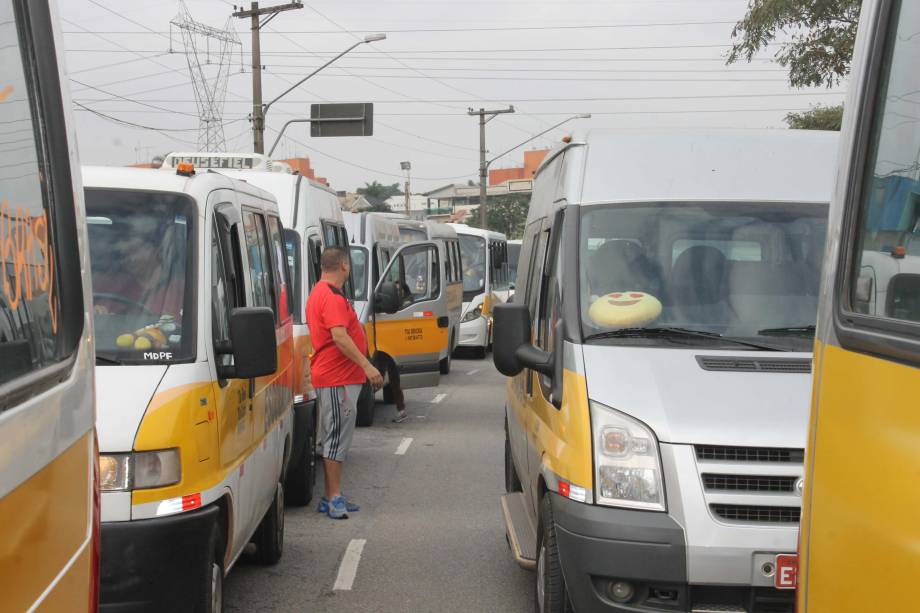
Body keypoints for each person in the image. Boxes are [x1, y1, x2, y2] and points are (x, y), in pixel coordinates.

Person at [306, 246, 383, 519]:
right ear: (344, 266)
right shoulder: (330, 296)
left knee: (335, 436)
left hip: (337, 377)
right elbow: (339, 336)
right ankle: (333, 497)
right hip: (337, 378)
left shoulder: (322, 292)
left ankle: (332, 495)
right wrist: (367, 366)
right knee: (336, 438)